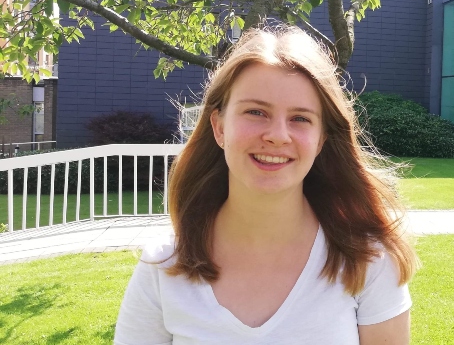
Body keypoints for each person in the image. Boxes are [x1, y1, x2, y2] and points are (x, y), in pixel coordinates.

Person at [114, 26, 418, 344]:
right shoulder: (163, 266)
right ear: (219, 127)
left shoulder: (368, 261)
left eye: (300, 118)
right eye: (256, 112)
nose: (277, 135)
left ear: (321, 140)